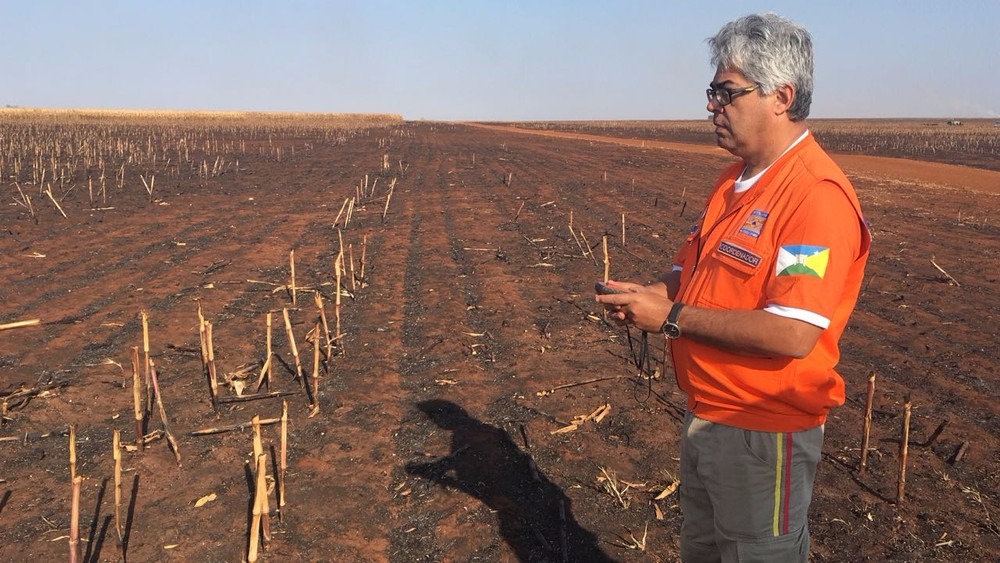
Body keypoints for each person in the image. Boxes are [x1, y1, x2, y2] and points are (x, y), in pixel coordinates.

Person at [596, 12, 871, 563]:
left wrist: (671, 317)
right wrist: (651, 293)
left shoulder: (815, 199)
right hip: (709, 417)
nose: (711, 105)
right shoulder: (734, 181)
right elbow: (694, 271)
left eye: (726, 92)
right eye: (712, 91)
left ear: (781, 96)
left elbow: (793, 332)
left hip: (762, 432)